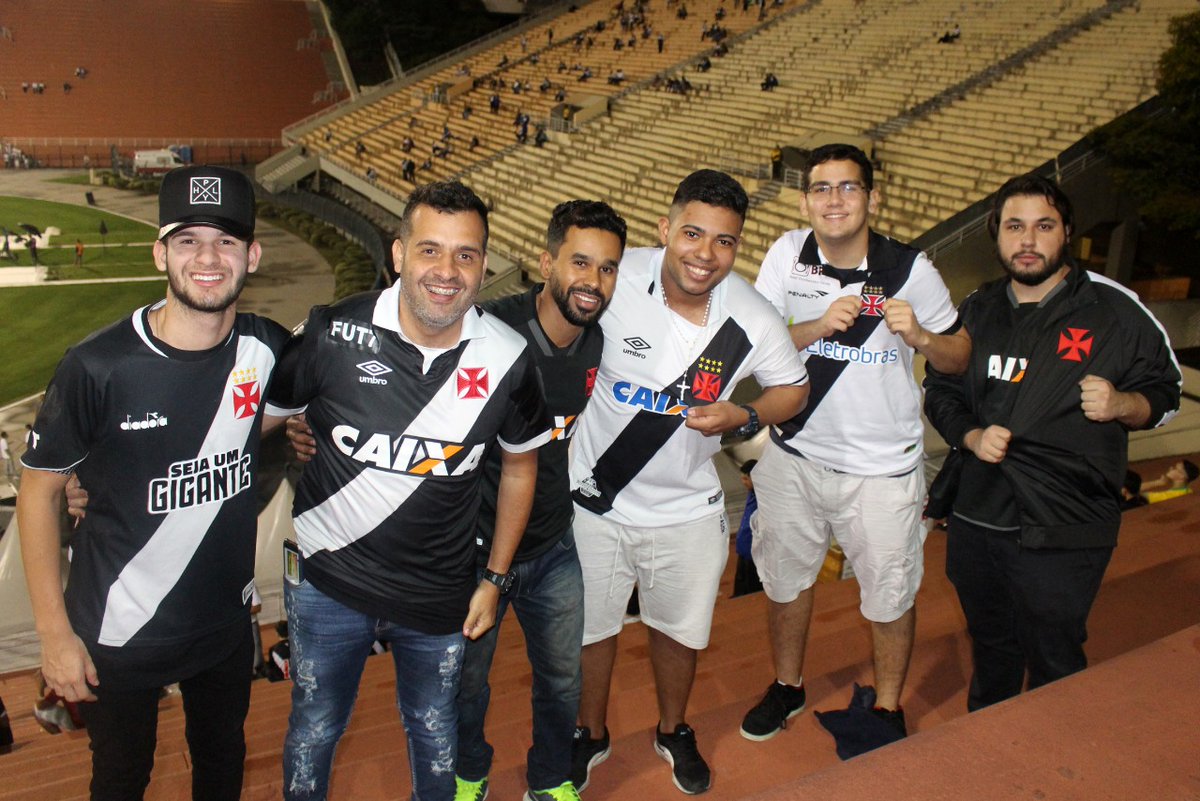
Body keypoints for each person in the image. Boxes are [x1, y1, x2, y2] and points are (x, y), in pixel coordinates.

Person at [285, 201, 627, 801]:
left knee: (526, 692)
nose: (447, 270)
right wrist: (300, 426)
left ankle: (548, 778)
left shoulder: (549, 349)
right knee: (340, 723)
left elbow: (524, 462)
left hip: (510, 556)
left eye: (465, 255)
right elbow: (271, 410)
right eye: (430, 249)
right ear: (398, 253)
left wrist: (496, 575)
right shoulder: (343, 330)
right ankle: (470, 774)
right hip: (382, 569)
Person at [18, 165, 292, 800]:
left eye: (225, 241)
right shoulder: (97, 366)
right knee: (121, 778)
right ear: (160, 253)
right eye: (187, 239)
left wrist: (297, 428)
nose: (208, 258)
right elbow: (38, 491)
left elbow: (277, 414)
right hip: (118, 628)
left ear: (252, 255)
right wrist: (55, 637)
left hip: (223, 623)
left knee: (222, 763)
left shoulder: (268, 347)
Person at [569, 170, 809, 795]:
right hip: (593, 498)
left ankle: (673, 729)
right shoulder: (618, 277)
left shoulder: (750, 316)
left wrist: (744, 415)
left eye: (724, 241)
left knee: (678, 633)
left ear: (737, 247)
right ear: (665, 229)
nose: (705, 254)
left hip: (687, 509)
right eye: (693, 234)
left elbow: (794, 388)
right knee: (589, 630)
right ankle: (589, 733)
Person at [923, 173, 1181, 712]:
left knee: (1054, 658)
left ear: (1067, 232)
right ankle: (987, 743)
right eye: (1014, 226)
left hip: (1066, 522)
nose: (1027, 240)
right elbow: (941, 388)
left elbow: (1166, 393)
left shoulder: (1113, 309)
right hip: (977, 518)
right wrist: (970, 434)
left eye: (1043, 226)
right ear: (996, 234)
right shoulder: (978, 307)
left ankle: (1051, 748)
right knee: (991, 648)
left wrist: (1122, 404)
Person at [743, 143, 969, 749]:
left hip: (881, 470)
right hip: (794, 454)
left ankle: (889, 707)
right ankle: (787, 685)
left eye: (849, 187)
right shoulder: (787, 255)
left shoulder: (911, 269)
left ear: (873, 197)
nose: (835, 200)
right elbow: (757, 347)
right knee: (784, 583)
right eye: (822, 188)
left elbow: (959, 354)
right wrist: (818, 326)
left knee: (890, 596)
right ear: (804, 201)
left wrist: (921, 337)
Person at [732, 459, 762, 598]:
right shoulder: (751, 493)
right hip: (744, 550)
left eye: (745, 479)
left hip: (754, 552)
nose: (743, 482)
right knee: (741, 588)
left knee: (753, 591)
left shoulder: (764, 497)